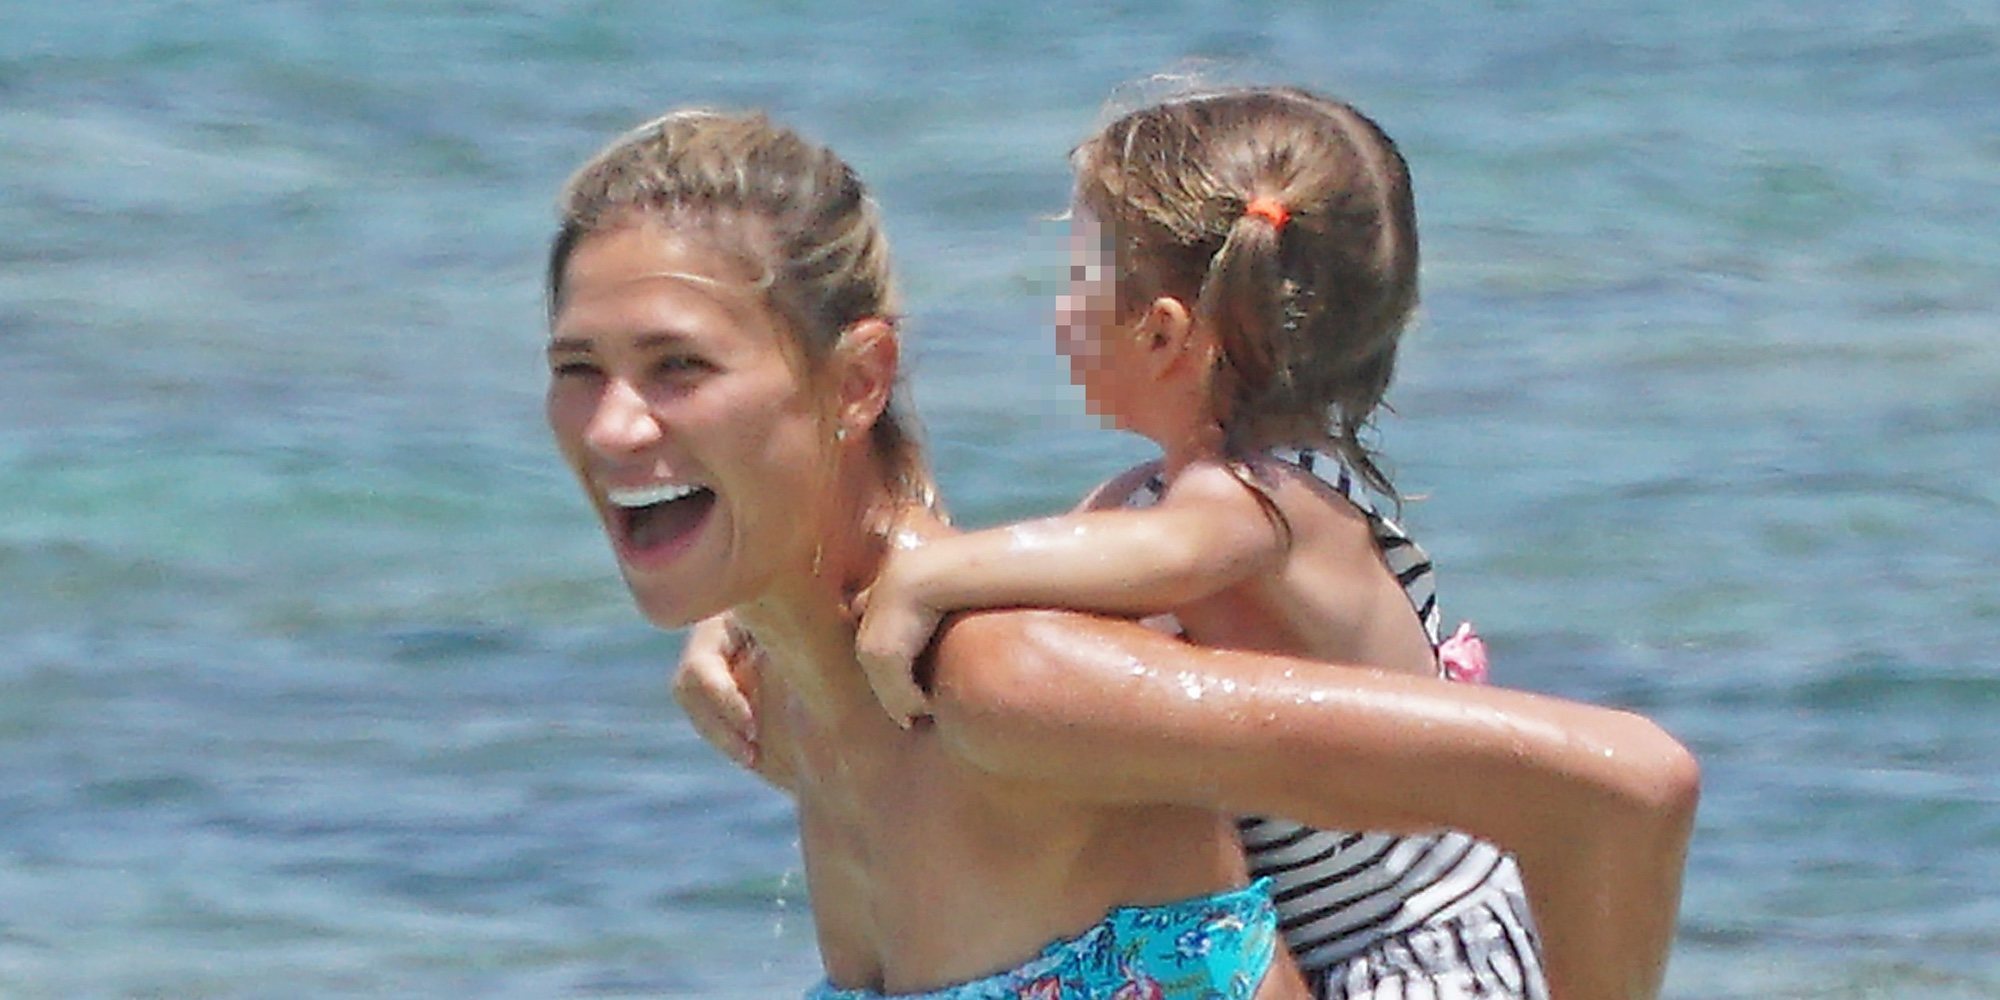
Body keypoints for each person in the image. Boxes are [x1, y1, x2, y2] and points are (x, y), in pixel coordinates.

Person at [549, 107, 1698, 1000]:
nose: (610, 427)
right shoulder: (810, 705)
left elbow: (1620, 787)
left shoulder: (1007, 687)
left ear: (858, 381)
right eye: (576, 368)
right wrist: (745, 606)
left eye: (678, 367)